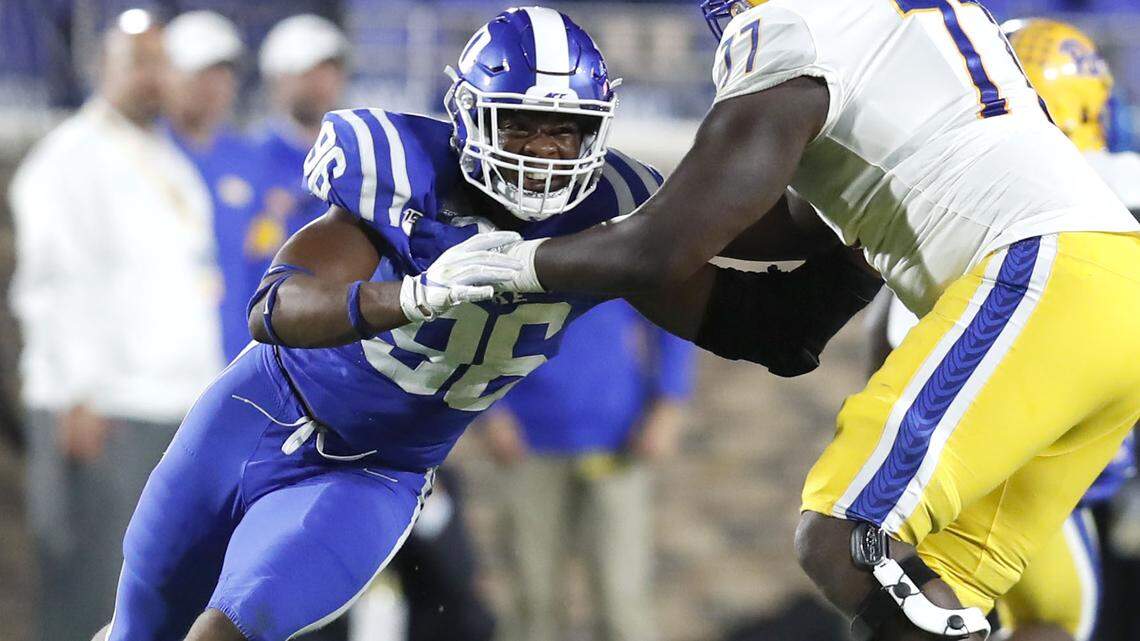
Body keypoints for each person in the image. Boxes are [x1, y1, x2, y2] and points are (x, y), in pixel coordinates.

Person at [95, 8, 870, 641]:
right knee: (141, 621)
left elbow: (773, 326)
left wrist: (880, 235)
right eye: (522, 123)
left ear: (595, 132)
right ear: (468, 116)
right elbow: (274, 308)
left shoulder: (616, 210)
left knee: (235, 627)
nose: (542, 151)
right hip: (255, 416)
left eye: (563, 130)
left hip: (377, 470)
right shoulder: (406, 170)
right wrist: (416, 295)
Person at [464, 0, 1140, 638]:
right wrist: (626, 213)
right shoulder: (897, 45)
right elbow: (784, 279)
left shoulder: (796, 25)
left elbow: (666, 246)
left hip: (1044, 274)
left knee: (845, 540)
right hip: (1113, 289)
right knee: (948, 589)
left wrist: (504, 262)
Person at [867, 19, 1139, 641]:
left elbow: (887, 349)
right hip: (1006, 472)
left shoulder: (949, 196)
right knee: (1055, 619)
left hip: (926, 469)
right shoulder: (1104, 196)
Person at [9, 10, 222, 641]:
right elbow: (53, 287)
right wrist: (77, 395)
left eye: (162, 63)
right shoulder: (69, 159)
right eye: (138, 63)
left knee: (154, 596)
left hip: (169, 407)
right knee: (90, 595)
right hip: (104, 410)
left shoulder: (166, 158)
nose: (154, 78)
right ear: (103, 68)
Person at [482, 299, 695, 641]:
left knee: (621, 596)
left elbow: (675, 319)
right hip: (527, 442)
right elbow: (476, 321)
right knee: (533, 598)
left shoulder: (624, 247)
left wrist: (669, 401)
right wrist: (490, 409)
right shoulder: (506, 246)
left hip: (618, 441)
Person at [164, 10, 267, 361]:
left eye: (223, 74)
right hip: (157, 350)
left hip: (235, 348)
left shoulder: (250, 159)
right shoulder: (145, 153)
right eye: (200, 74)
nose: (213, 87)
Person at [248, 14, 349, 280]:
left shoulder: (357, 157)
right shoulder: (250, 158)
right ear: (278, 78)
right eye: (308, 73)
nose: (321, 83)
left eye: (329, 71)